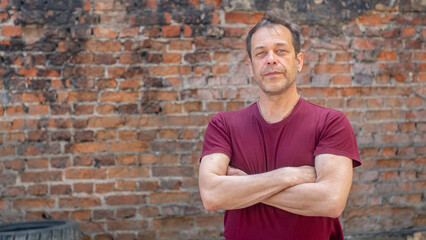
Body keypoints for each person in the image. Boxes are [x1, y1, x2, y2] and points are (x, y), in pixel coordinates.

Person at [198, 8, 361, 240]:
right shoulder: (223, 125)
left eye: (281, 51)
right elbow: (212, 196)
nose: (271, 59)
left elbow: (331, 201)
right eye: (261, 53)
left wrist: (244, 187)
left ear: (299, 61)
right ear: (251, 67)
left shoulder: (330, 123)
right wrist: (288, 176)